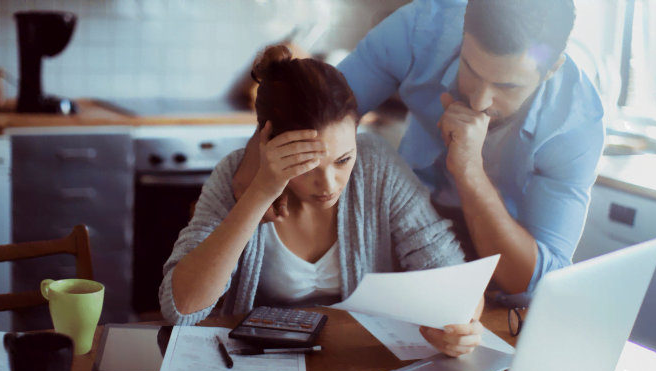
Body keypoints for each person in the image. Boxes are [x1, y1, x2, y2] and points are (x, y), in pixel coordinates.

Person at [233, 0, 605, 316]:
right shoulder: (422, 27)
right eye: (472, 70)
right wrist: (258, 163)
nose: (478, 101)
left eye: (507, 86)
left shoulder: (575, 127)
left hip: (505, 249)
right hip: (413, 218)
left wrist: (470, 172)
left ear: (552, 69)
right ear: (462, 32)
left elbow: (532, 285)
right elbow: (320, 109)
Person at [159, 45, 483, 357]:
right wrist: (259, 195)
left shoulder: (377, 165)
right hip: (260, 368)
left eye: (343, 160)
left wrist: (463, 324)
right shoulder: (234, 176)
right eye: (307, 167)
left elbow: (452, 275)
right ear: (267, 144)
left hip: (356, 363)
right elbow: (181, 309)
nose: (328, 185)